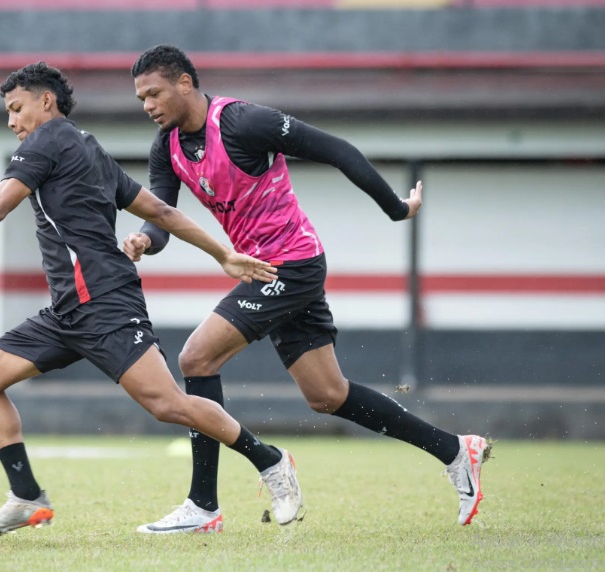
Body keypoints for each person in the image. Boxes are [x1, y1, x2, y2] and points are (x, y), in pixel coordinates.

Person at [0, 62, 304, 537]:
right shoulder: (86, 147)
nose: (11, 121)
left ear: (47, 102)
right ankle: (26, 497)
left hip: (106, 303)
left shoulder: (49, 140)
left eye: (16, 108)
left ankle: (272, 462)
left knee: (168, 404)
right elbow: (160, 210)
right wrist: (222, 254)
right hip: (67, 310)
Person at [126, 45, 491, 533]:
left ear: (185, 83)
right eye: (141, 98)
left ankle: (204, 504)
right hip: (266, 271)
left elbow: (336, 149)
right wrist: (143, 241)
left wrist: (396, 208)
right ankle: (455, 450)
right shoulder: (165, 148)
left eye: (154, 93)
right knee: (327, 395)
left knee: (196, 359)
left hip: (291, 265)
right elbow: (164, 220)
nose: (147, 105)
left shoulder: (241, 122)